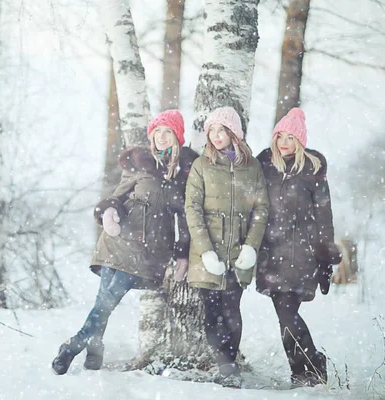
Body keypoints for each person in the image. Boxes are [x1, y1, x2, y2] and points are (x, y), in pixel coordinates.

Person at [51, 110, 198, 375]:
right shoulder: (140, 164)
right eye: (158, 132)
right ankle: (93, 347)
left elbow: (186, 217)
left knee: (108, 300)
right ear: (151, 136)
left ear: (177, 137)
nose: (162, 137)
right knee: (103, 299)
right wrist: (108, 212)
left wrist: (183, 253)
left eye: (168, 132)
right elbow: (115, 197)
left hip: (149, 250)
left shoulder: (185, 173)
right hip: (118, 240)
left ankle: (74, 344)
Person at [256, 108, 342, 386]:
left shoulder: (312, 171)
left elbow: (324, 216)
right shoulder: (265, 166)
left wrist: (326, 259)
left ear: (300, 141)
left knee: (287, 314)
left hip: (302, 255)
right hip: (270, 256)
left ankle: (312, 366)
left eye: (291, 137)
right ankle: (303, 371)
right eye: (280, 135)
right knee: (285, 317)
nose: (284, 142)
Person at [185, 106, 269, 387]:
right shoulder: (201, 165)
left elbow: (261, 209)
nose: (217, 136)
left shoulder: (252, 167)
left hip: (238, 251)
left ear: (234, 133)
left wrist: (251, 247)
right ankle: (224, 364)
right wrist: (206, 251)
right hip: (206, 252)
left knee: (232, 308)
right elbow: (192, 209)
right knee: (212, 313)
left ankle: (229, 365)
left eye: (222, 130)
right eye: (212, 131)